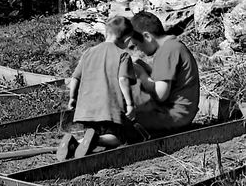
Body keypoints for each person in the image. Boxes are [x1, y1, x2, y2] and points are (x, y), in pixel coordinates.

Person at [56, 16, 137, 161]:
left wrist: (72, 98)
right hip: (108, 107)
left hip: (87, 108)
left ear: (106, 33)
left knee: (93, 133)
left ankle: (74, 143)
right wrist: (130, 104)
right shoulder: (123, 55)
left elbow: (75, 78)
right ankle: (96, 140)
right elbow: (123, 79)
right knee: (118, 138)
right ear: (127, 39)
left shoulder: (88, 52)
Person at [130, 11, 200, 137]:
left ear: (147, 36)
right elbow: (166, 80)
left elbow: (161, 94)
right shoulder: (172, 46)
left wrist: (141, 74)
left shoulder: (167, 51)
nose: (138, 49)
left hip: (174, 115)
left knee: (124, 120)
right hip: (178, 112)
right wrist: (144, 66)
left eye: (137, 44)